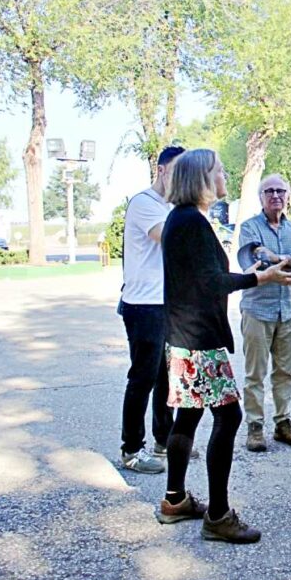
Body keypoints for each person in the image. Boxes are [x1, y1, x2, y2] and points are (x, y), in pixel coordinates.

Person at [157, 149, 291, 543]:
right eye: (219, 170)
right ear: (202, 178)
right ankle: (218, 516)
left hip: (185, 339)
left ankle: (175, 500)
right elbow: (211, 283)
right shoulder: (191, 223)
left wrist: (251, 274)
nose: (225, 175)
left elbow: (206, 276)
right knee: (229, 418)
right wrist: (261, 279)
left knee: (187, 417)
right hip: (199, 342)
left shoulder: (183, 220)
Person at [238, 174, 291, 452]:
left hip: (288, 312)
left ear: (288, 196)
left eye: (280, 191)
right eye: (269, 191)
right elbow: (253, 255)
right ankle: (255, 427)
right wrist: (286, 258)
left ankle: (283, 422)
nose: (275, 196)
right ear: (261, 197)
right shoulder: (249, 227)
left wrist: (284, 258)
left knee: (286, 372)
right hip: (257, 310)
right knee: (255, 374)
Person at [118, 146, 185, 474]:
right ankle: (131, 450)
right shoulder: (145, 203)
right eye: (176, 171)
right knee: (142, 378)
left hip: (166, 304)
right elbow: (170, 238)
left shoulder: (170, 207)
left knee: (167, 378)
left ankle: (165, 439)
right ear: (160, 170)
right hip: (143, 306)